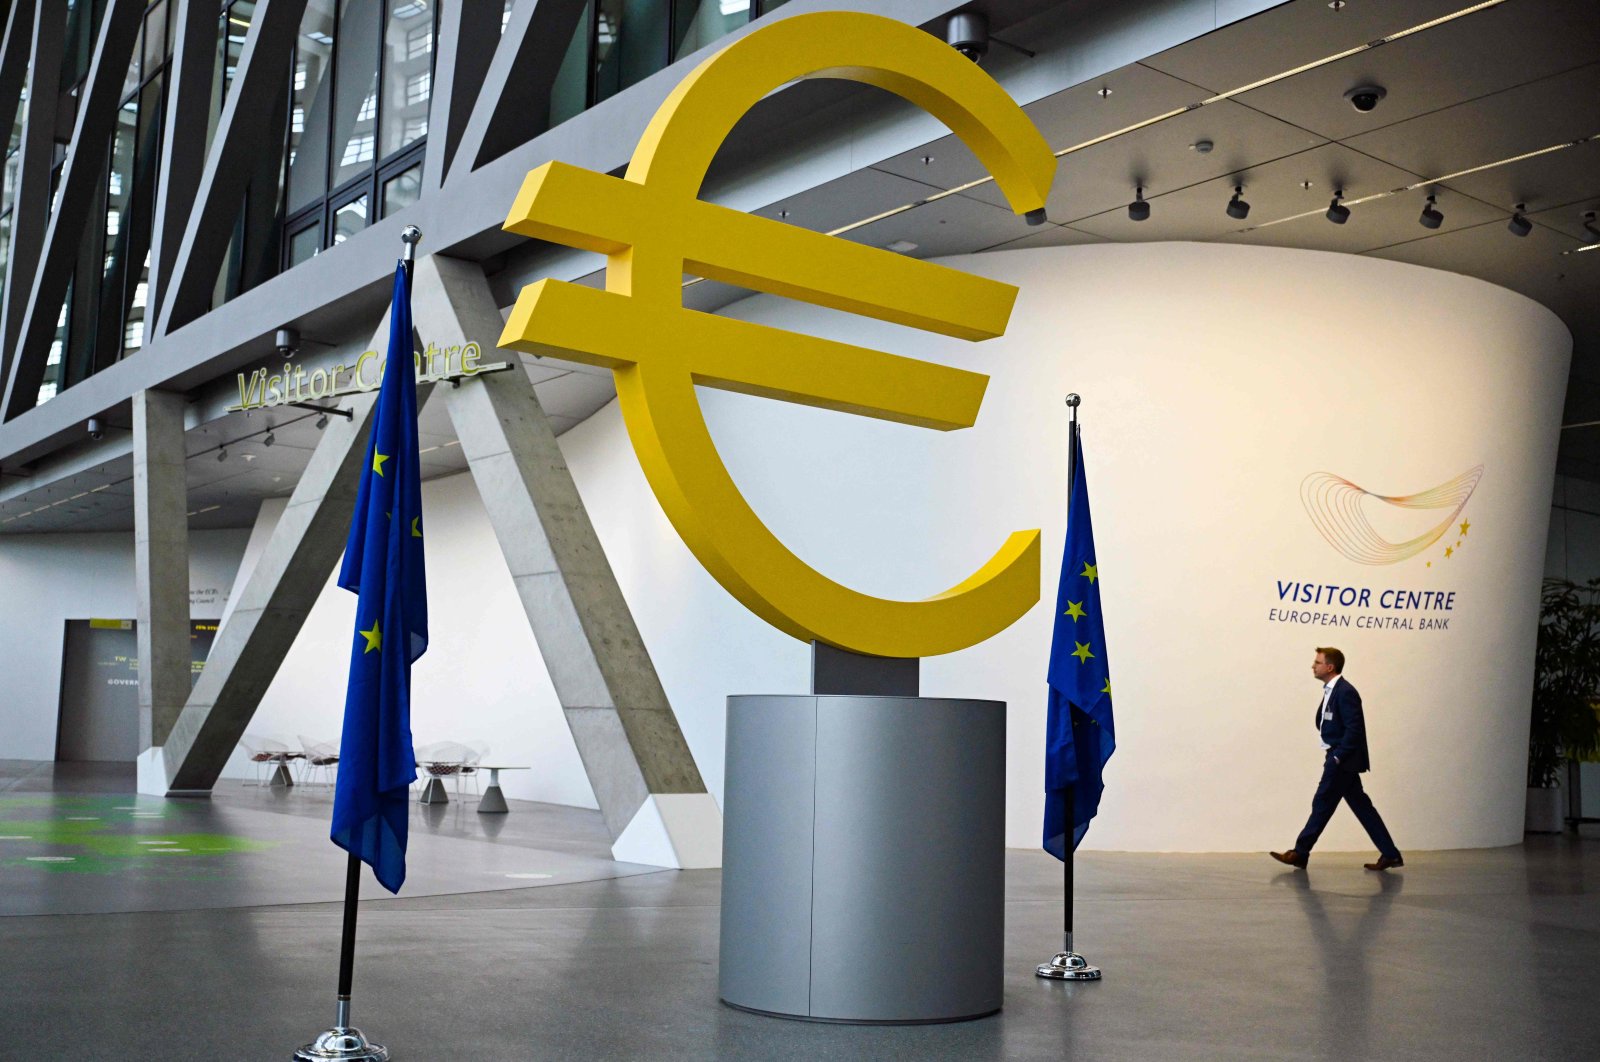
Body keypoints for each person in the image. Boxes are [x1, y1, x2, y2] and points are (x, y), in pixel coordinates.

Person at [1271, 647, 1404, 871]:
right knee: (1362, 807)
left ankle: (1300, 852)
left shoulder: (1345, 691)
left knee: (1322, 802)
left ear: (1330, 667)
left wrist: (1338, 756)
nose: (1313, 666)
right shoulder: (1332, 690)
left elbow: (1355, 729)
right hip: (1339, 757)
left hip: (1342, 760)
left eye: (1317, 662)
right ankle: (1390, 854)